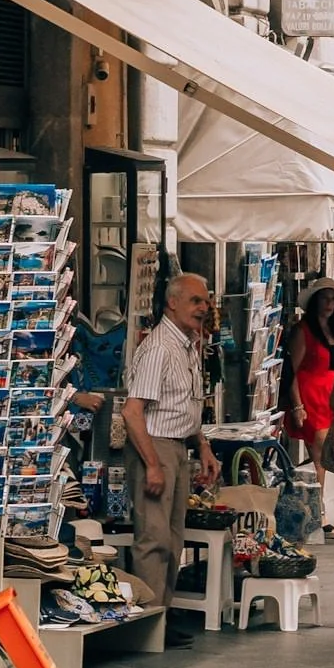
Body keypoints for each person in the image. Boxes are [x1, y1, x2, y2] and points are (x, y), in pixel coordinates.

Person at [121, 273, 220, 640]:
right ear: (172, 303)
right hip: (156, 446)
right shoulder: (160, 347)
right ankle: (146, 624)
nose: (204, 307)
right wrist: (151, 465)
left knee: (174, 538)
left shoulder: (187, 345)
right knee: (154, 538)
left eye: (205, 301)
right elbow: (133, 412)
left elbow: (181, 405)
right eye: (196, 300)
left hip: (177, 445)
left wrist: (203, 445)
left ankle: (161, 616)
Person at [282, 277, 334, 537]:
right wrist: (297, 406)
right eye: (324, 298)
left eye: (332, 299)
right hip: (310, 396)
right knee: (320, 455)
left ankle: (317, 510)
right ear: (314, 301)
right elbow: (292, 370)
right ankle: (320, 514)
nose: (329, 304)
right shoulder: (303, 330)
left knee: (326, 457)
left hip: (331, 395)